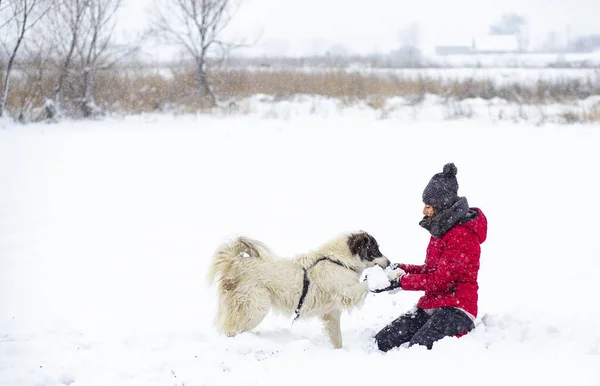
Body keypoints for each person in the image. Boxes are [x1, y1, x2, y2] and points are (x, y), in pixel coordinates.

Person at [372, 162, 487, 351]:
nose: (424, 211)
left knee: (420, 346)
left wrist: (401, 282)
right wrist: (399, 268)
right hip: (434, 303)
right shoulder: (441, 230)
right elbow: (431, 270)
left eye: (428, 206)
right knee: (384, 341)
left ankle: (464, 334)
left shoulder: (462, 236)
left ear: (441, 206)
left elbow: (440, 280)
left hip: (458, 309)